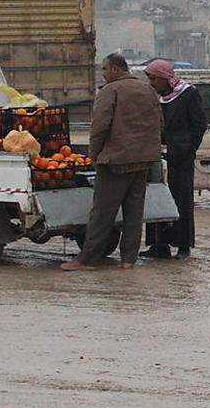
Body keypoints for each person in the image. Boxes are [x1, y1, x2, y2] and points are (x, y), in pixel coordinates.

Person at [61, 53, 161, 272]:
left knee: (102, 213)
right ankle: (128, 260)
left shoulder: (110, 91)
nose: (103, 74)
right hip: (143, 160)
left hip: (115, 161)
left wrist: (93, 155)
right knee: (134, 214)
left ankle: (87, 260)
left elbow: (99, 128)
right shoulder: (148, 90)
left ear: (116, 69)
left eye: (105, 69)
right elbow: (158, 123)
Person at [141, 59, 207, 260]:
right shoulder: (157, 97)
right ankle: (158, 245)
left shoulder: (188, 94)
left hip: (181, 159)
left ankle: (183, 245)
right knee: (156, 199)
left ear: (164, 78)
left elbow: (198, 126)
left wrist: (185, 149)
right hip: (158, 155)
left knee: (181, 200)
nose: (151, 83)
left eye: (154, 79)